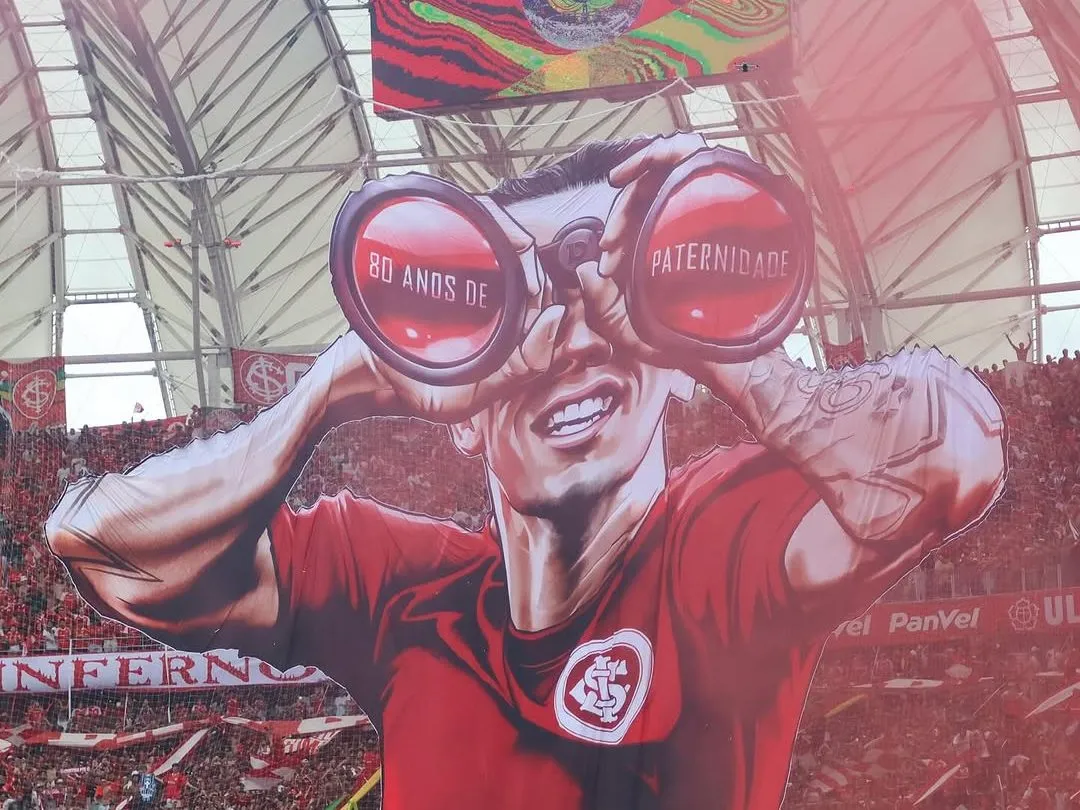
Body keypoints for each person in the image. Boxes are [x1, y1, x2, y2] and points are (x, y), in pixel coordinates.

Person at [45, 134, 1008, 810]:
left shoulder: (719, 545)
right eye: (519, 307)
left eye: (614, 290)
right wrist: (327, 390)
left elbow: (953, 458)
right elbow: (104, 548)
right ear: (461, 418)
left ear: (675, 371)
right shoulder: (399, 585)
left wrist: (718, 336)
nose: (572, 341)